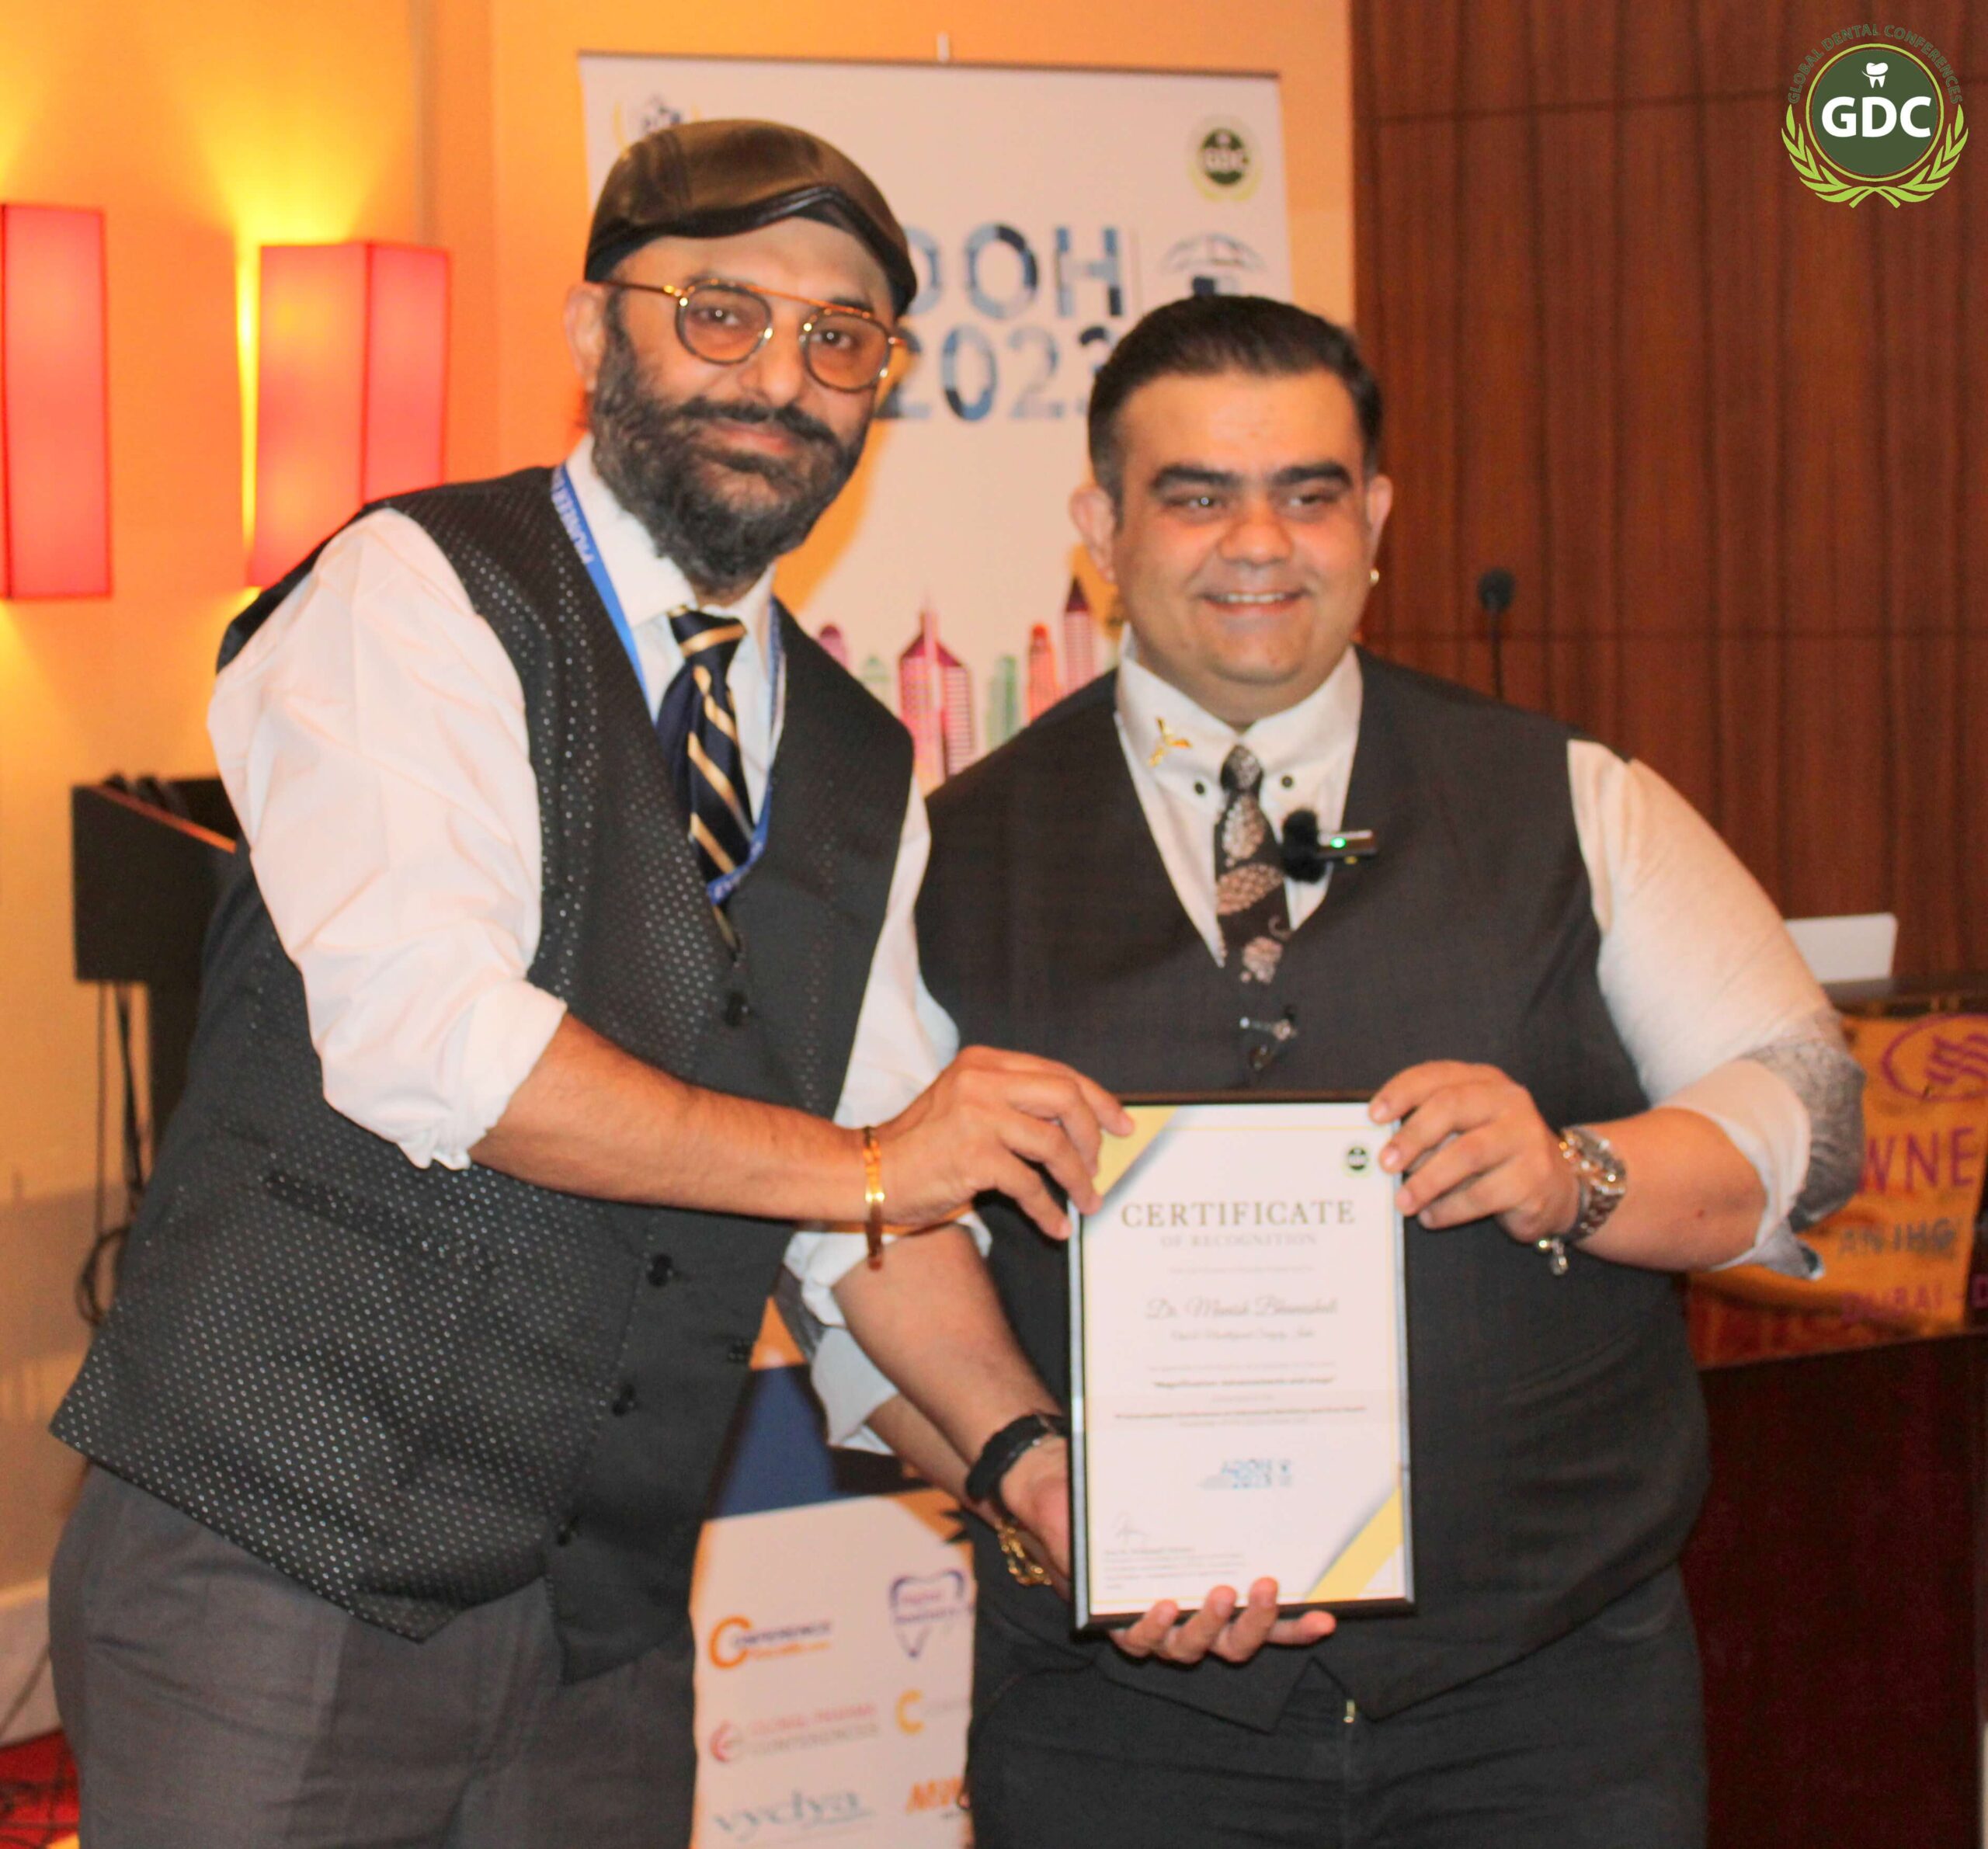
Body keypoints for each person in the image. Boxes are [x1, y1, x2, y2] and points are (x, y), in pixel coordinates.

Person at [46, 120, 1123, 1848]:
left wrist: (1031, 1464)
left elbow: (870, 1213)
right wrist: (868, 1167)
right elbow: (442, 1048)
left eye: (839, 337)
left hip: (600, 1638)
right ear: (587, 329)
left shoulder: (860, 763)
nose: (779, 375)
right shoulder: (413, 596)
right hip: (270, 1578)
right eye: (720, 311)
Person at [798, 293, 1865, 1847]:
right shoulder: (933, 860)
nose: (1259, 542)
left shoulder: (1573, 796)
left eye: (1307, 493)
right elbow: (854, 1225)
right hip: (1119, 1731)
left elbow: (1807, 1110)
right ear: (1100, 527)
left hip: (1547, 1713)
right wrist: (1032, 1473)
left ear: (1373, 519)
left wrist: (1575, 1174)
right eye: (1196, 495)